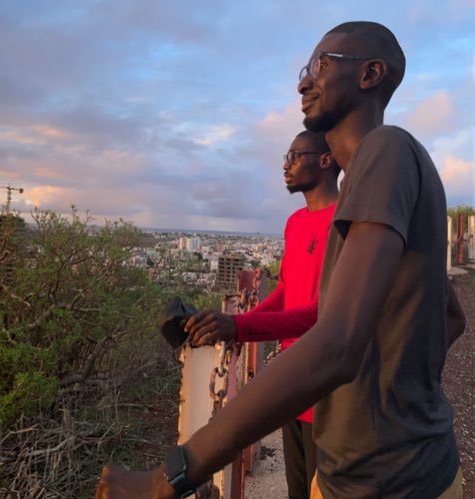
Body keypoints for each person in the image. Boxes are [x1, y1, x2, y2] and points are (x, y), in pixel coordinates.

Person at [97, 21, 467, 498]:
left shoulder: (386, 149)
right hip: (374, 468)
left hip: (386, 481)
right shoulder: (384, 176)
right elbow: (449, 314)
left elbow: (335, 341)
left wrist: (170, 475)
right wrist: (394, 390)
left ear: (370, 74)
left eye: (321, 65)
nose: (303, 81)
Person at [183, 129, 338, 499]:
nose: (285, 165)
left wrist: (239, 325)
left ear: (326, 160)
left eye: (295, 156)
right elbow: (286, 292)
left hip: (328, 386)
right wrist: (236, 330)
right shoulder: (296, 224)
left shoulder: (344, 222)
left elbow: (322, 313)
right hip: (292, 384)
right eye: (286, 156)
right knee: (297, 490)